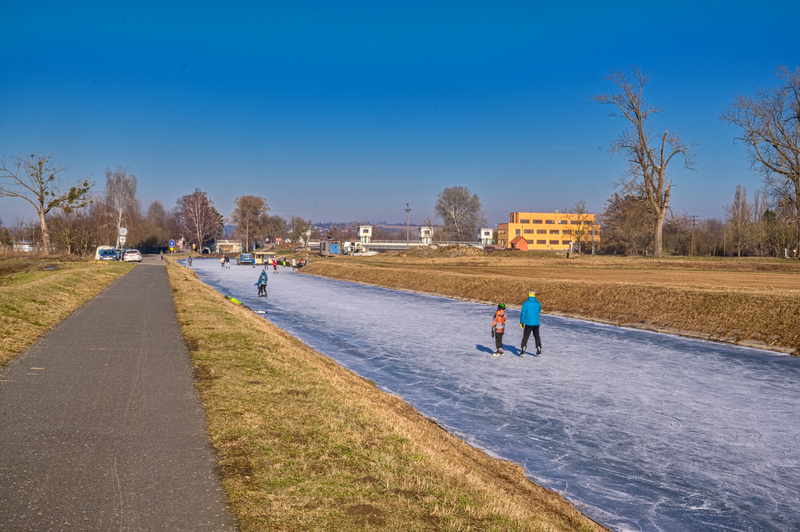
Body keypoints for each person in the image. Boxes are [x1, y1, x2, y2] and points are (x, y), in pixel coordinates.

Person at [519, 289, 542, 356]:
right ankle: (539, 348)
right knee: (537, 336)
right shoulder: (538, 303)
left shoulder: (525, 303)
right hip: (536, 323)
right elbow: (539, 310)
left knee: (526, 336)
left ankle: (523, 348)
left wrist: (521, 322)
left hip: (528, 323)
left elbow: (523, 313)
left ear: (529, 294)